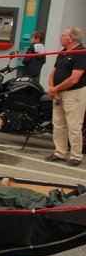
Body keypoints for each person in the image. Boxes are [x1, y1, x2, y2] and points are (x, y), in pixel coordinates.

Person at [45, 27, 86, 167]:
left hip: (74, 94)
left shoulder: (81, 53)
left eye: (63, 35)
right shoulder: (63, 53)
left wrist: (56, 88)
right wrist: (52, 88)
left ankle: (76, 156)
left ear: (71, 38)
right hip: (58, 93)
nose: (60, 37)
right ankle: (60, 152)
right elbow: (54, 72)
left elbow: (74, 79)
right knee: (58, 124)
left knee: (74, 125)